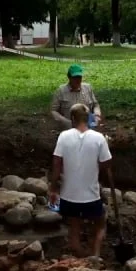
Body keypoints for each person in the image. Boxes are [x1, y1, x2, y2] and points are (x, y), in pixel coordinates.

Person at [50, 103, 114, 258]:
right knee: (100, 223)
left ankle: (80, 254)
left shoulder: (63, 136)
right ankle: (95, 254)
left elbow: (57, 163)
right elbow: (106, 163)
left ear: (72, 118)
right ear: (88, 118)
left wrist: (53, 188)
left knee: (74, 226)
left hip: (69, 196)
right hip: (91, 196)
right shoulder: (99, 138)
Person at [51, 64, 103, 130]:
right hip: (69, 129)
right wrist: (66, 122)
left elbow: (95, 105)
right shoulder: (61, 91)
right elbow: (53, 111)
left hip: (88, 128)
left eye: (79, 77)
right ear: (69, 77)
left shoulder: (88, 88)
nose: (78, 80)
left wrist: (97, 115)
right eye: (75, 78)